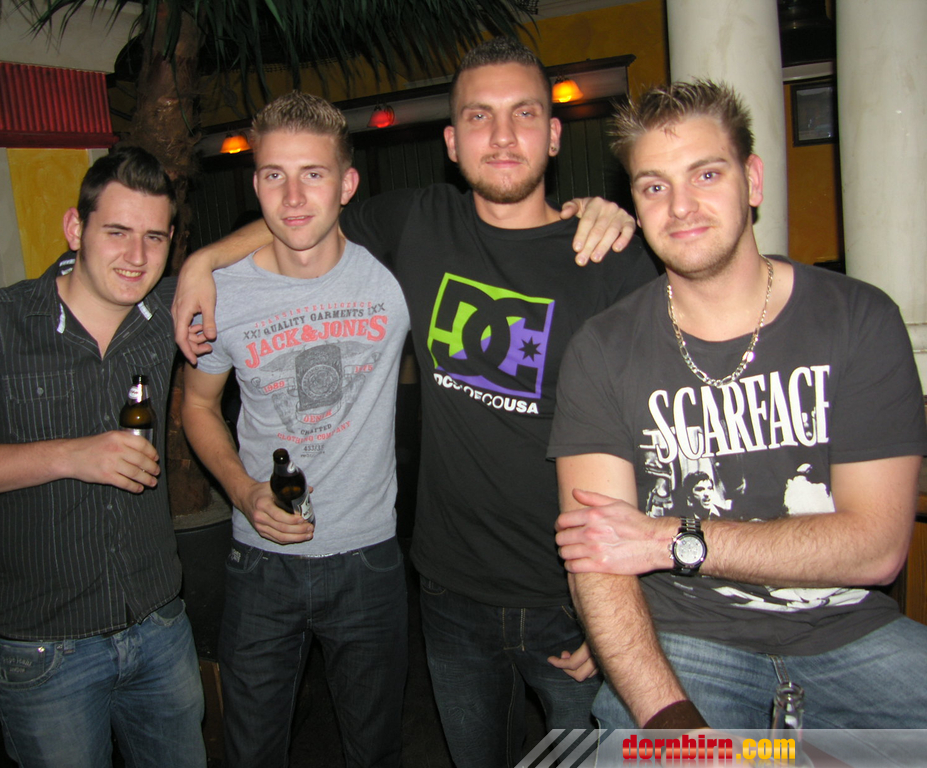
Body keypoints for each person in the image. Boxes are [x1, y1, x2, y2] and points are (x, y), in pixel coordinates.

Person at [174, 38, 657, 766]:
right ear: (451, 142)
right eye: (479, 116)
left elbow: (662, 438)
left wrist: (629, 605)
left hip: (575, 593)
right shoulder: (414, 225)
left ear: (555, 134)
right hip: (448, 591)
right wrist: (202, 259)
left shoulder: (613, 259)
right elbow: (305, 220)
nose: (502, 136)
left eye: (524, 114)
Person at [549, 79, 927, 731]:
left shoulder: (858, 319)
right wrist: (671, 724)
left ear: (752, 180)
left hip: (848, 633)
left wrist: (670, 538)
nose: (681, 207)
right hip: (684, 642)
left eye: (707, 174)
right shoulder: (603, 349)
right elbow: (598, 560)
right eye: (654, 186)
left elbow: (876, 547)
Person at [0, 147, 207, 767]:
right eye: (116, 232)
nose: (136, 256)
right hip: (46, 651)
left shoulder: (165, 312)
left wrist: (202, 263)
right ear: (76, 228)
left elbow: (282, 235)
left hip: (159, 626)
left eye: (154, 237)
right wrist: (71, 455)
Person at [180, 91, 410, 768]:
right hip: (260, 564)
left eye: (313, 173)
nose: (293, 196)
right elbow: (197, 406)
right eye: (274, 175)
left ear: (347, 184)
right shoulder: (222, 293)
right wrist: (241, 489)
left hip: (369, 559)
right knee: (250, 751)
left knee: (375, 752)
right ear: (255, 185)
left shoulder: (392, 274)